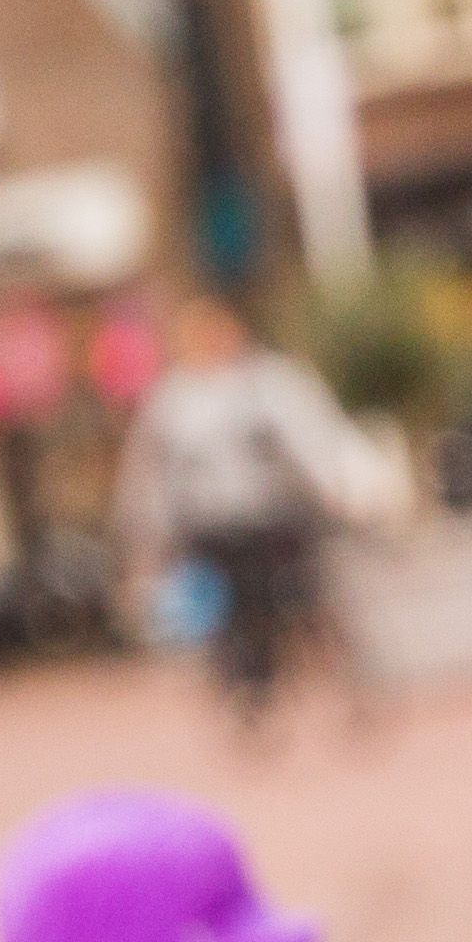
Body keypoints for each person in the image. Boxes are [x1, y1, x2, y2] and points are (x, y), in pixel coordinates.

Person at [114, 290, 395, 742]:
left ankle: (347, 690)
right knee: (235, 623)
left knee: (308, 605)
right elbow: (151, 473)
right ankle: (251, 701)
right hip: (212, 527)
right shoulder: (172, 400)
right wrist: (149, 531)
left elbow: (314, 441)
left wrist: (339, 490)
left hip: (275, 518)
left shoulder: (271, 383)